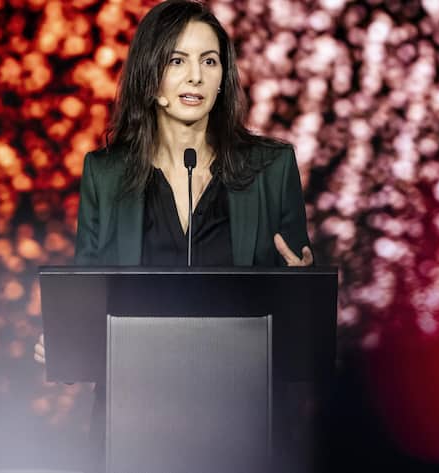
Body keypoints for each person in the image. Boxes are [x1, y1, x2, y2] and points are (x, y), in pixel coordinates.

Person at [35, 0, 315, 470]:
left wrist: (301, 294)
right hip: (135, 425)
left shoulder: (271, 168)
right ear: (151, 77)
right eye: (177, 61)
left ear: (224, 77)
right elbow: (86, 300)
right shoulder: (105, 174)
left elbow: (297, 337)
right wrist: (66, 343)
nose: (196, 77)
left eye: (209, 61)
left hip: (243, 422)